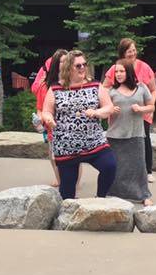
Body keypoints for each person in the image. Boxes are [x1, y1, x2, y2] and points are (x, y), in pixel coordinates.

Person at [40, 51, 117, 199]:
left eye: (84, 64)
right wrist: (49, 119)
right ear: (68, 68)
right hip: (66, 146)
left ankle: (100, 199)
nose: (82, 67)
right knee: (67, 192)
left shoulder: (95, 85)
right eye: (78, 65)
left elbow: (109, 107)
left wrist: (96, 112)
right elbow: (46, 111)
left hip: (94, 142)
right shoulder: (55, 89)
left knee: (110, 166)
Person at [102, 38, 156, 180]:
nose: (132, 53)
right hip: (120, 114)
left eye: (134, 50)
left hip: (141, 111)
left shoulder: (144, 67)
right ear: (122, 53)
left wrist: (148, 108)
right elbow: (104, 88)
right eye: (128, 51)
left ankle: (147, 171)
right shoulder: (115, 68)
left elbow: (153, 90)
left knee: (143, 140)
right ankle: (121, 173)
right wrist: (110, 105)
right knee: (121, 142)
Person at [107, 60, 156, 205]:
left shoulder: (141, 88)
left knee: (139, 166)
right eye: (116, 72)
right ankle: (113, 193)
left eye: (121, 71)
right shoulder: (111, 91)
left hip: (136, 134)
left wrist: (141, 109)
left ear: (128, 72)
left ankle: (144, 195)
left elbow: (151, 107)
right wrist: (110, 110)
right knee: (117, 167)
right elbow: (103, 111)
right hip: (115, 135)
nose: (118, 74)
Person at [31, 49, 67, 187]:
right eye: (61, 62)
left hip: (71, 127)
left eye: (66, 61)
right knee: (53, 155)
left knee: (75, 157)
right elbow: (40, 107)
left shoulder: (76, 82)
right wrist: (40, 119)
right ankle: (60, 180)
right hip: (51, 127)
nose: (64, 64)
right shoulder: (45, 85)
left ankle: (73, 183)